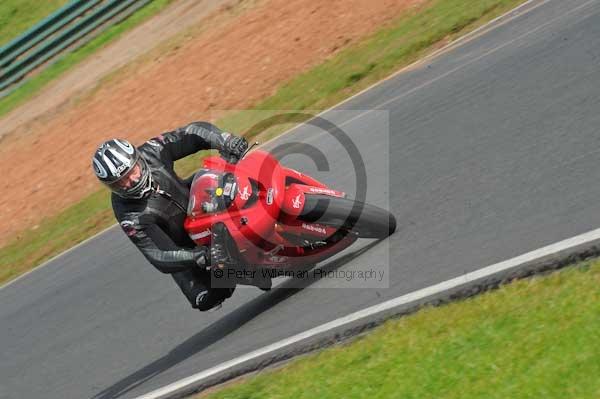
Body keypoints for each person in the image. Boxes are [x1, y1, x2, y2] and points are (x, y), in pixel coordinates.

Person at [91, 121, 248, 311]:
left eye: (131, 171)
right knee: (207, 297)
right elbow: (158, 254)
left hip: (201, 203)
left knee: (224, 169)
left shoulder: (152, 152)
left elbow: (190, 133)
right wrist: (199, 256)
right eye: (120, 182)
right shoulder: (128, 214)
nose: (131, 181)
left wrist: (224, 140)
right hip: (187, 245)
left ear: (138, 160)